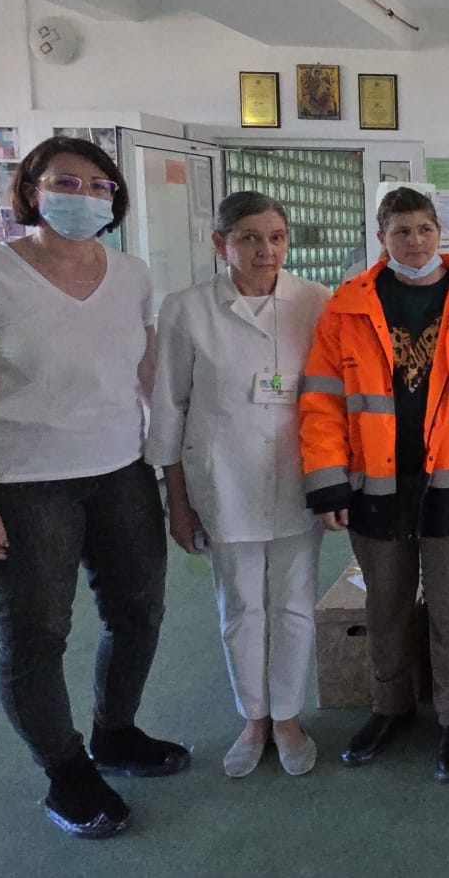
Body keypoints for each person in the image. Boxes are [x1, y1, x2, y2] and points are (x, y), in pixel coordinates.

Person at [0, 137, 184, 840]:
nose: (84, 197)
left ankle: (116, 733)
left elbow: (148, 377)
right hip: (20, 485)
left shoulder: (132, 276)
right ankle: (66, 771)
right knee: (37, 633)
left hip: (121, 471)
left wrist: (174, 462)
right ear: (31, 190)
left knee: (138, 612)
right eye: (67, 182)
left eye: (100, 187)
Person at [300, 187, 449, 783]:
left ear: (439, 232)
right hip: (375, 482)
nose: (415, 242)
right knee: (387, 605)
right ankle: (390, 707)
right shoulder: (346, 307)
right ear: (381, 238)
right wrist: (327, 480)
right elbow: (321, 400)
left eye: (424, 229)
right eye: (401, 231)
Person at [147, 192, 330, 779]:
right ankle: (254, 717)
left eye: (276, 237)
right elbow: (169, 408)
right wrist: (178, 504)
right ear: (219, 243)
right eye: (249, 238)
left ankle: (288, 716)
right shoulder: (187, 309)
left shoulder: (315, 302)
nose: (265, 250)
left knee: (295, 602)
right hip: (222, 482)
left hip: (298, 477)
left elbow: (332, 398)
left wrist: (337, 483)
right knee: (241, 605)